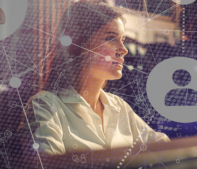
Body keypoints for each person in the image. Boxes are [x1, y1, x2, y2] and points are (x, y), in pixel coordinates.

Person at [17, 1, 170, 156]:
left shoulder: (120, 107)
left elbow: (167, 150)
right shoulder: (44, 106)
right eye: (111, 38)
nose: (123, 50)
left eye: (122, 40)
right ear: (79, 44)